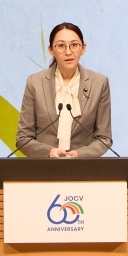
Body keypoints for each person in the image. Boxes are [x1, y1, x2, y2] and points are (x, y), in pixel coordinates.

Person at [16, 22, 112, 158]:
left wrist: (80, 154)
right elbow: (23, 138)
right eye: (61, 46)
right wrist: (49, 152)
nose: (68, 52)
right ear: (51, 50)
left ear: (83, 48)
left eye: (74, 45)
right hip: (44, 168)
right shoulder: (35, 83)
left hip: (84, 168)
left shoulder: (99, 83)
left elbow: (104, 138)